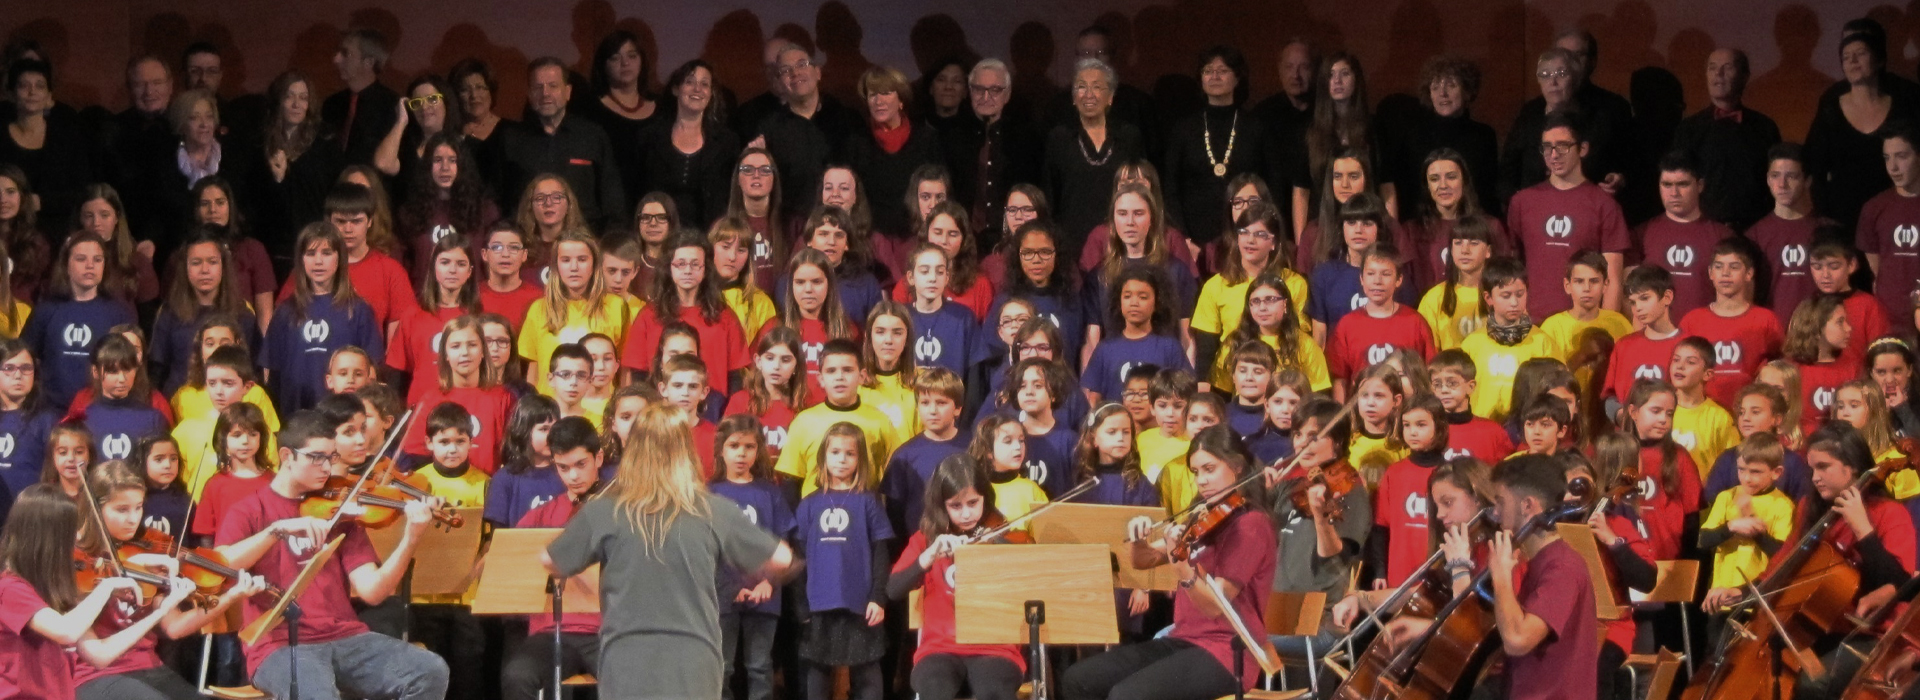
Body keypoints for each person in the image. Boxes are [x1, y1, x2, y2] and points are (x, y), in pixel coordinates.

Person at [213, 410, 450, 700]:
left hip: (345, 637)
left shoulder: (340, 511)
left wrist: (411, 537)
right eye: (316, 457)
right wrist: (276, 531)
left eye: (331, 457)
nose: (326, 467)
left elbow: (373, 592)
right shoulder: (250, 510)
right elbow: (220, 565)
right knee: (318, 693)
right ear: (287, 456)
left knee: (429, 670)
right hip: (279, 646)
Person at [1060, 424, 1276, 700]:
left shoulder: (1251, 525)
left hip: (1228, 652)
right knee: (1079, 680)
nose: (1202, 481)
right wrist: (1137, 538)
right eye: (1196, 473)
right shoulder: (1203, 516)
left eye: (1210, 469)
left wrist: (1183, 568)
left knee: (1128, 696)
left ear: (1236, 466)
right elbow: (1144, 560)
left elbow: (1214, 605)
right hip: (1185, 639)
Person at [1766, 421, 1916, 698]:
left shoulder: (1889, 513)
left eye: (1824, 467)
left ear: (1854, 466)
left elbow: (1899, 584)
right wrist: (1744, 592)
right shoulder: (1809, 510)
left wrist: (1862, 529)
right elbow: (1783, 561)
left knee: (1813, 685)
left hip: (1869, 635)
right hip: (1814, 628)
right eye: (1812, 469)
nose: (1814, 478)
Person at [888, 454, 1026, 700]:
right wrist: (927, 557)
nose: (966, 514)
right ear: (941, 505)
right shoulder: (926, 540)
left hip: (995, 648)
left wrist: (998, 549)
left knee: (994, 691)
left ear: (986, 498)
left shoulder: (999, 538)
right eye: (956, 506)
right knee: (934, 687)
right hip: (939, 648)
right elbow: (893, 590)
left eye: (974, 503)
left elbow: (1029, 584)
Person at [497, 415, 604, 700]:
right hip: (551, 631)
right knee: (517, 676)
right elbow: (503, 565)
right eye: (563, 468)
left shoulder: (618, 513)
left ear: (599, 458)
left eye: (581, 465)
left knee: (638, 680)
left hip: (608, 632)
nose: (573, 477)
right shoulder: (540, 516)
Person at [1163, 46, 1284, 256]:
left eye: (1222, 70)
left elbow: (1274, 184)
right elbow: (1170, 187)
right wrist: (1184, 239)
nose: (1214, 76)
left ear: (1237, 78)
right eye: (1208, 71)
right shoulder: (1184, 129)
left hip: (1249, 239)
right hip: (1194, 243)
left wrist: (1265, 231)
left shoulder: (1256, 127)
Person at [1806, 18, 1919, 231]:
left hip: (1896, 214)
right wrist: (1822, 213)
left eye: (1861, 53)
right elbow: (1815, 164)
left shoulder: (1907, 97)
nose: (1853, 61)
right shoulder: (1831, 102)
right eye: (1846, 57)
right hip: (1841, 217)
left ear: (1879, 58)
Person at [494, 57, 626, 229]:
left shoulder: (592, 136)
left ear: (568, 92)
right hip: (528, 242)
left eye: (553, 86)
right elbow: (495, 201)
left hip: (584, 242)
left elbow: (613, 202)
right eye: (538, 87)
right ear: (529, 95)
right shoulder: (510, 139)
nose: (545, 93)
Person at [1498, 46, 1629, 203]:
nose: (1553, 82)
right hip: (1535, 207)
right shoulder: (1529, 114)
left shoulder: (1599, 117)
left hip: (1585, 206)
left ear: (1576, 78)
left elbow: (1622, 163)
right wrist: (1516, 201)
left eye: (1561, 74)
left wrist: (1618, 177)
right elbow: (1507, 169)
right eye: (1545, 75)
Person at [749, 44, 863, 221]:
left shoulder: (849, 120)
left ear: (818, 72)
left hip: (844, 223)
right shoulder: (769, 129)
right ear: (779, 82)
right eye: (786, 70)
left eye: (802, 65)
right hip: (792, 228)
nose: (795, 73)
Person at [1670, 48, 1782, 229]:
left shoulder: (1764, 127)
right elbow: (1679, 182)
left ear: (1744, 76)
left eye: (1727, 67)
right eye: (1712, 68)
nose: (1718, 74)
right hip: (1704, 229)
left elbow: (1775, 183)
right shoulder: (1689, 129)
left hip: (1755, 230)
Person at [1044, 59, 1146, 251]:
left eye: (1097, 87)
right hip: (1071, 241)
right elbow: (1050, 194)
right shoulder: (1059, 138)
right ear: (1074, 97)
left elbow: (1142, 189)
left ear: (1110, 97)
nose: (1088, 94)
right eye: (1081, 87)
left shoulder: (1128, 136)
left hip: (1120, 239)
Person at [0, 59, 102, 238]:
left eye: (39, 86)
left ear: (49, 97)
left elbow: (83, 191)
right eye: (24, 86)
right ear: (11, 94)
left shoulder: (67, 137)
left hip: (56, 230)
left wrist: (43, 202)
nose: (32, 92)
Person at [944, 58, 1039, 250]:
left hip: (1011, 239)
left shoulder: (1026, 138)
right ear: (969, 92)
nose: (986, 97)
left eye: (995, 90)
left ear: (1007, 94)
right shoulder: (952, 135)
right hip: (963, 238)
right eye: (979, 89)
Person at [1392, 57, 1500, 222]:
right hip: (1425, 227)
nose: (1442, 93)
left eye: (1451, 85)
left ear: (1467, 91)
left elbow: (1488, 193)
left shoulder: (1483, 136)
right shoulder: (1413, 136)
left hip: (1471, 226)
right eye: (1435, 87)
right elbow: (1408, 192)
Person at [638, 60, 741, 227]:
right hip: (658, 234)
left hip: (708, 238)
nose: (697, 89)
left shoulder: (727, 142)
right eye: (690, 82)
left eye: (704, 84)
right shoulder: (649, 137)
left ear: (711, 93)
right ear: (676, 89)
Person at [1638, 152, 1735, 319]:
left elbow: (1737, 295)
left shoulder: (1723, 236)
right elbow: (1630, 292)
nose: (1674, 193)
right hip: (1655, 335)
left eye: (1682, 184)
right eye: (1667, 185)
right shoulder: (1642, 233)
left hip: (1705, 337)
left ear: (1700, 185)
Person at [574, 31, 662, 209]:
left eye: (632, 55)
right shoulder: (588, 109)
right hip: (605, 207)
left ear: (642, 61)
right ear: (603, 65)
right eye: (615, 58)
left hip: (654, 207)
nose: (625, 63)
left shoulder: (663, 108)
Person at [397, 134, 500, 282]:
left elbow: (496, 262)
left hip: (472, 300)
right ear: (427, 166)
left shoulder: (485, 210)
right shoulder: (410, 212)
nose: (445, 168)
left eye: (452, 161)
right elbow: (401, 264)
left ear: (462, 166)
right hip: (424, 301)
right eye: (437, 160)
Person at [1748, 144, 1825, 326]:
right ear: (1767, 179)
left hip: (1820, 333)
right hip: (1772, 334)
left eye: (1791, 176)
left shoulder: (1827, 231)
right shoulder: (1753, 236)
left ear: (1807, 181)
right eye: (1775, 176)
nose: (1782, 184)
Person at [1858, 123, 1920, 319]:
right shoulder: (1874, 208)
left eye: (1902, 156)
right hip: (1889, 317)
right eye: (1887, 158)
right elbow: (1878, 269)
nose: (1893, 167)